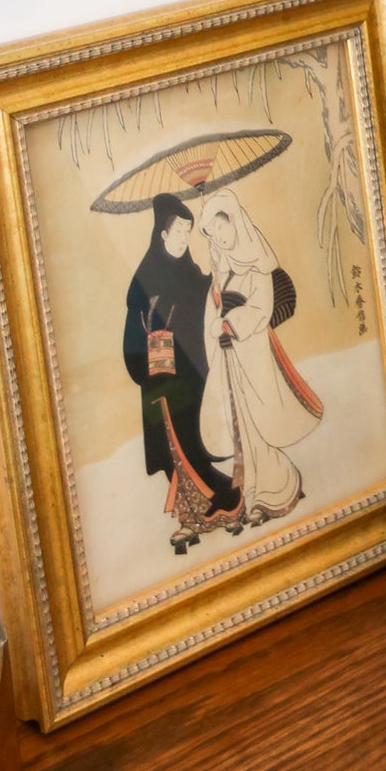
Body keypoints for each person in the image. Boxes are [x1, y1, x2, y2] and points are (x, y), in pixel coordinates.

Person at [121, 194, 244, 552]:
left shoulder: (192, 273)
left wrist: (218, 272)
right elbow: (132, 332)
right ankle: (191, 518)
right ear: (162, 233)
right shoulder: (143, 279)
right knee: (171, 452)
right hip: (157, 380)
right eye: (178, 232)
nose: (182, 240)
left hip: (191, 376)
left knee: (194, 445)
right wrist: (144, 362)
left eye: (188, 233)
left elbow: (208, 302)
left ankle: (219, 505)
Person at [198, 188, 323, 523]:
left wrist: (230, 324)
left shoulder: (258, 264)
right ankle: (250, 495)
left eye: (221, 227)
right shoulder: (220, 269)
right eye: (212, 232)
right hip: (230, 359)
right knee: (241, 427)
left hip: (253, 355)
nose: (220, 237)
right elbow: (213, 310)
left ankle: (277, 489)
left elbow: (260, 308)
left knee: (257, 422)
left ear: (234, 222)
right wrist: (215, 324)